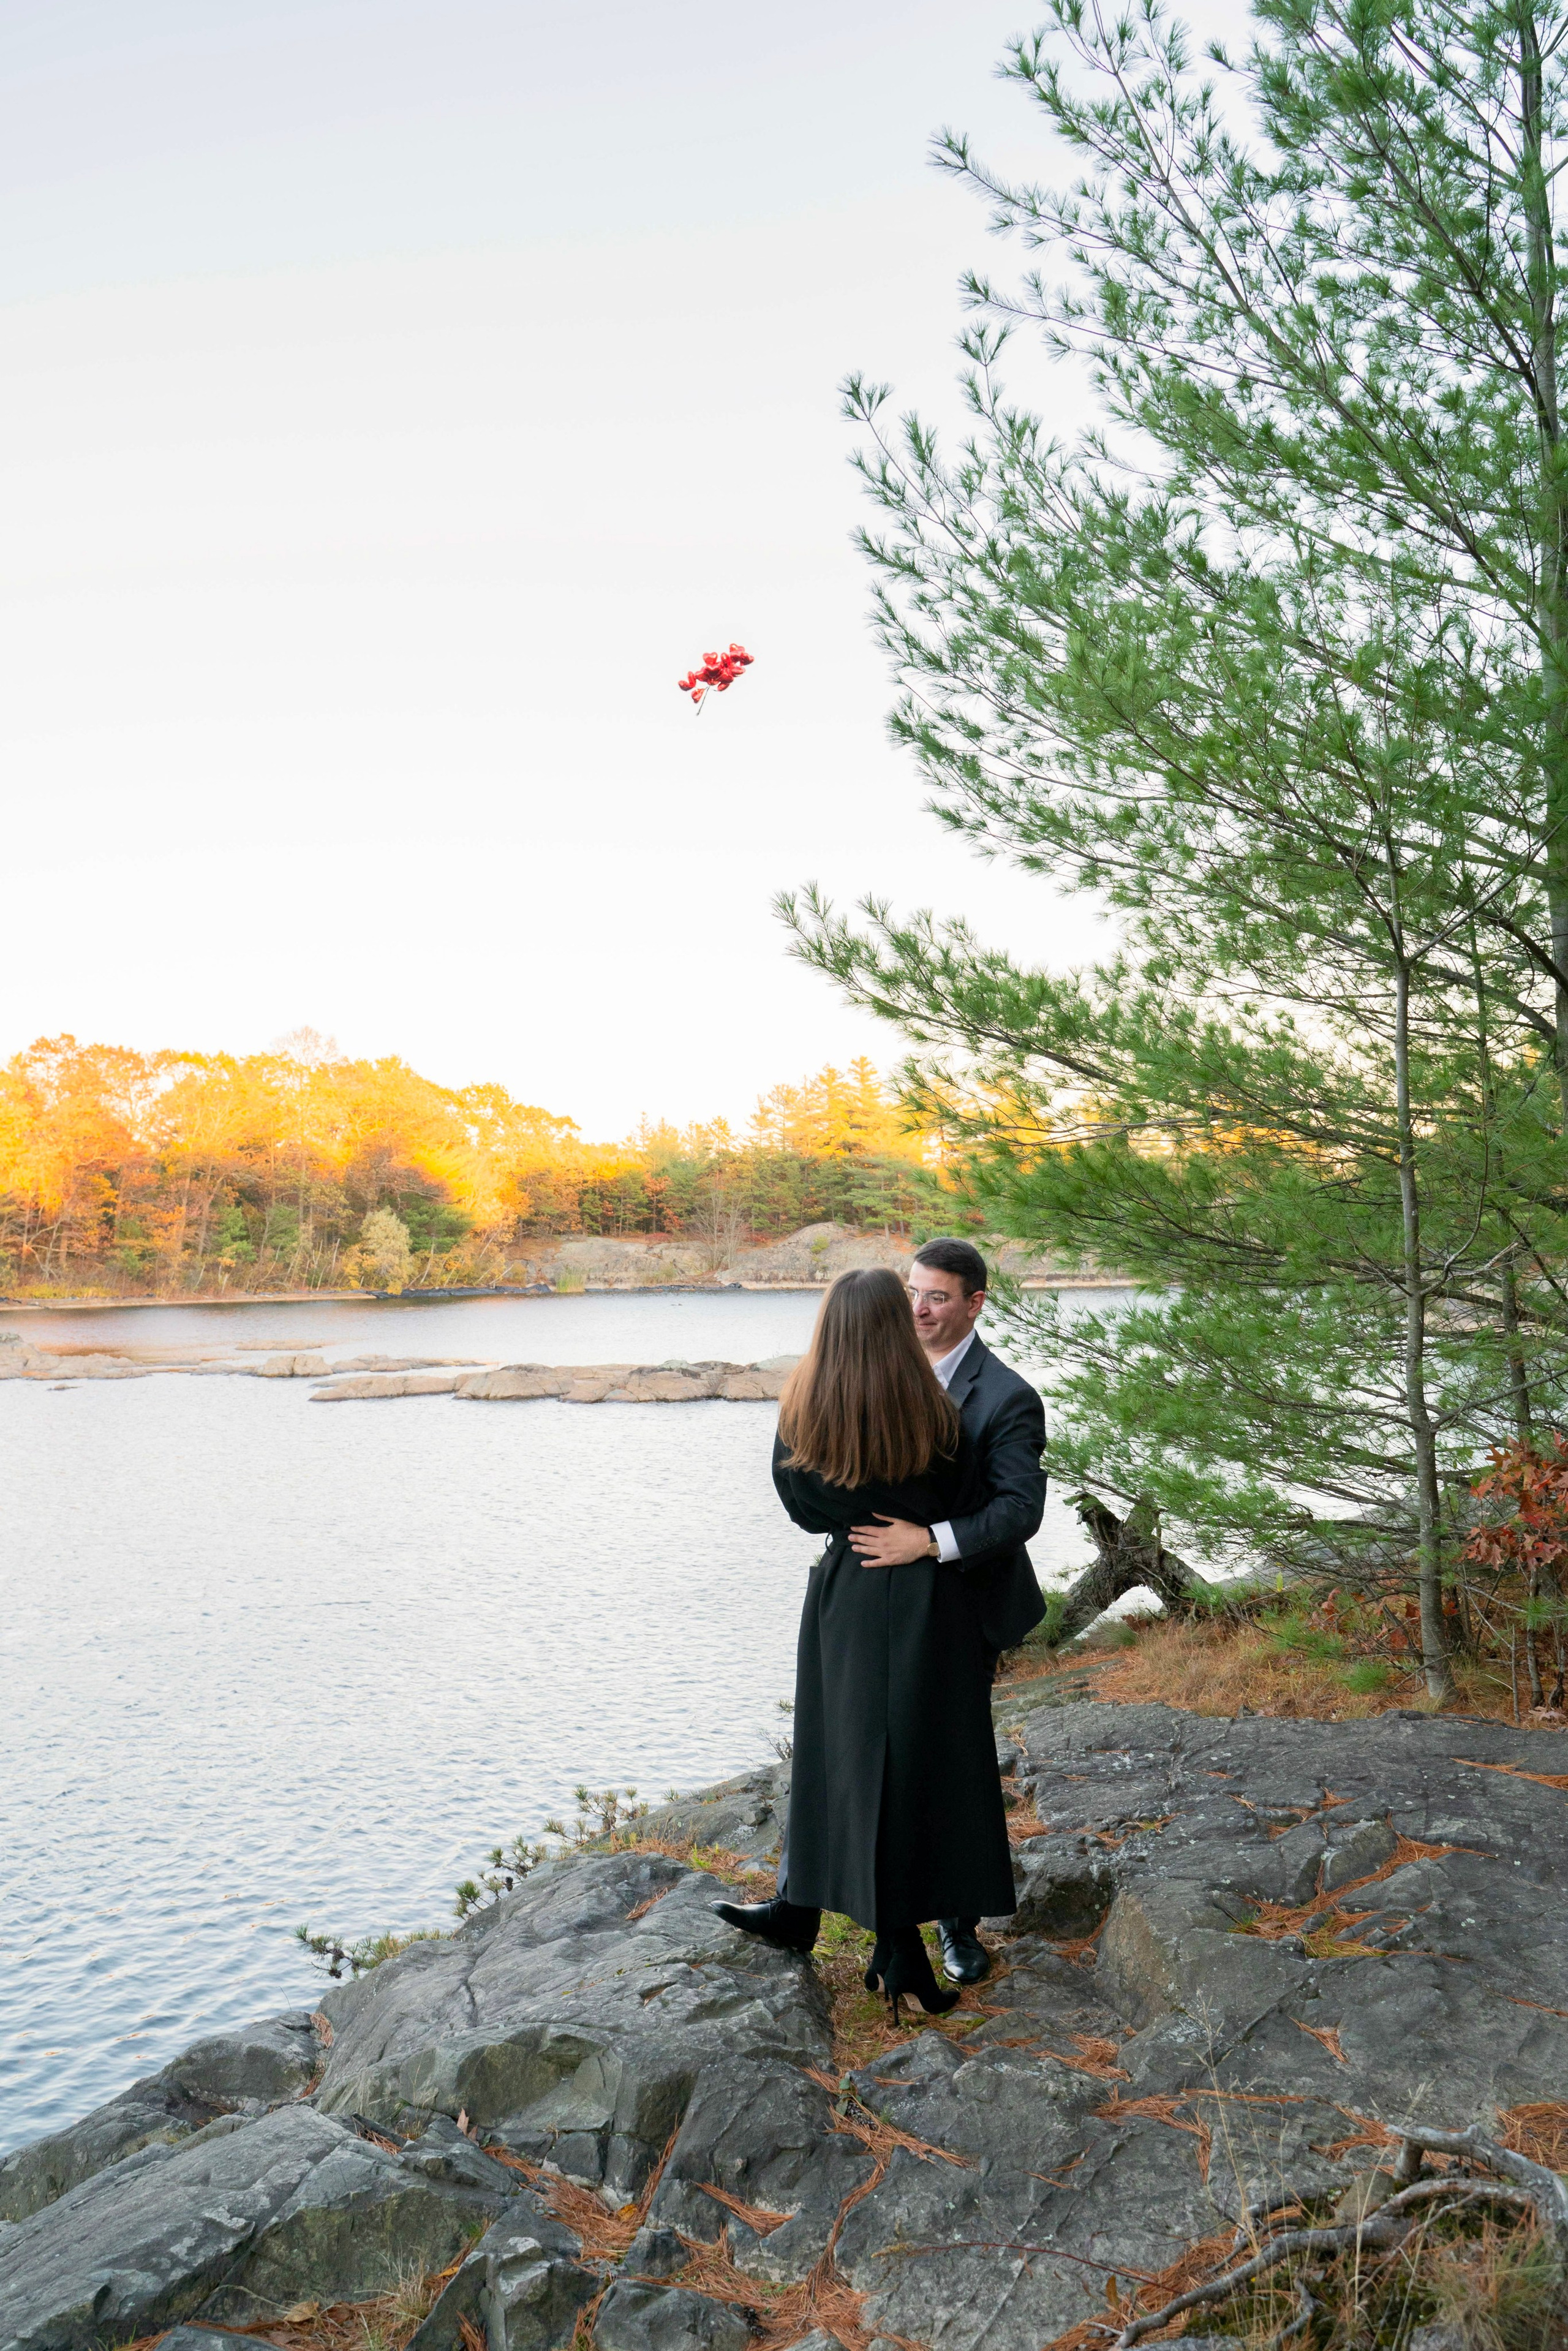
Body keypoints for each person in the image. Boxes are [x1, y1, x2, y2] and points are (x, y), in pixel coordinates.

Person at [712, 1264, 1020, 2021]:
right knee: (912, 1767)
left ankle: (886, 1940)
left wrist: (852, 1523)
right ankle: (869, 1936)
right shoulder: (937, 1419)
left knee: (843, 1756)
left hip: (849, 1590)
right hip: (926, 1600)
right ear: (892, 1323)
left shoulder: (803, 1411)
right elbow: (962, 1498)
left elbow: (798, 1506)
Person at [848, 1238, 1047, 1986]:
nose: (918, 1310)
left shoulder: (1006, 1395)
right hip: (884, 1605)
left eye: (935, 1296)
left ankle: (958, 1926)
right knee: (882, 1755)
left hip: (963, 1602)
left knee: (952, 1765)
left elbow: (1019, 1511)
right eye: (910, 1293)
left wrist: (927, 1541)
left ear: (974, 1304)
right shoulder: (881, 1374)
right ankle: (872, 1911)